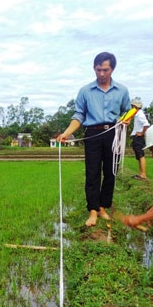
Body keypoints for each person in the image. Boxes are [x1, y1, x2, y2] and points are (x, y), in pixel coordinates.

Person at [57, 52, 131, 227]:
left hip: (113, 134)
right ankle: (92, 210)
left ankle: (103, 207)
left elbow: (126, 111)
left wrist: (126, 118)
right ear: (94, 69)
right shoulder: (85, 91)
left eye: (105, 70)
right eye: (98, 70)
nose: (102, 74)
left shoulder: (122, 90)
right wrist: (67, 133)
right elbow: (79, 115)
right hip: (92, 134)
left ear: (112, 69)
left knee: (110, 172)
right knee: (92, 173)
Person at [130, 100, 150, 180]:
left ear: (136, 107)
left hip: (139, 138)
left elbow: (146, 124)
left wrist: (142, 133)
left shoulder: (140, 115)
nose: (131, 108)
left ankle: (143, 174)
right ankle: (141, 173)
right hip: (136, 137)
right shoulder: (137, 115)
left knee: (140, 155)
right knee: (139, 155)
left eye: (132, 106)